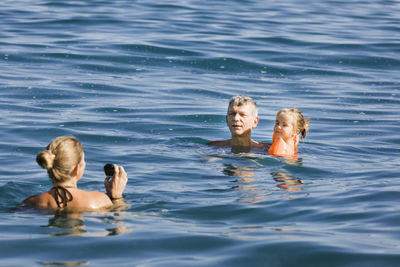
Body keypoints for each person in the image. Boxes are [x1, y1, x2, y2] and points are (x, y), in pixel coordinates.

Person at [22, 136, 128, 211]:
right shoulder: (99, 200)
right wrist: (116, 198)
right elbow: (120, 226)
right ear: (77, 168)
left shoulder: (32, 202)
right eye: (83, 161)